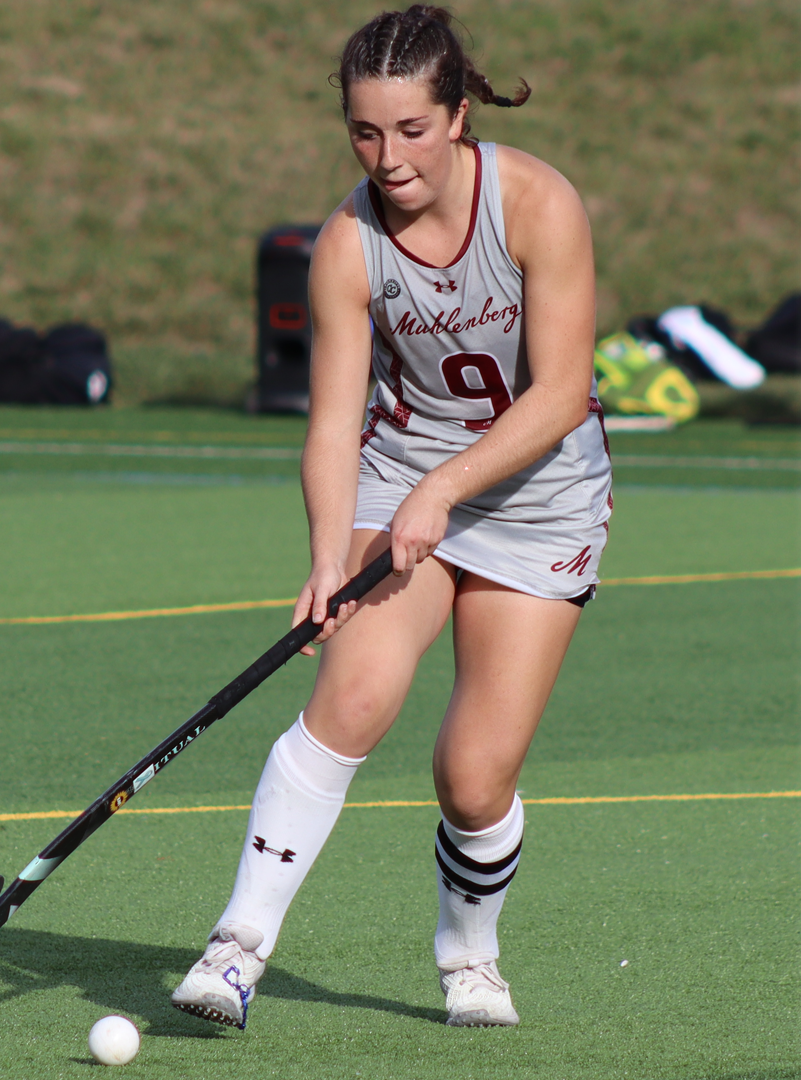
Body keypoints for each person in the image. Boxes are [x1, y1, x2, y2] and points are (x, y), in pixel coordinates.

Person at [170, 5, 608, 1030]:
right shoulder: (347, 244)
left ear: (458, 114)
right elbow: (331, 427)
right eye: (365, 133)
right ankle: (235, 949)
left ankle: (469, 955)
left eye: (410, 129)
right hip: (401, 475)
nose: (387, 156)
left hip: (540, 501)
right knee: (354, 693)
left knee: (472, 776)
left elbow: (558, 395)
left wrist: (444, 491)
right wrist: (328, 561)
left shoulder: (537, 205)